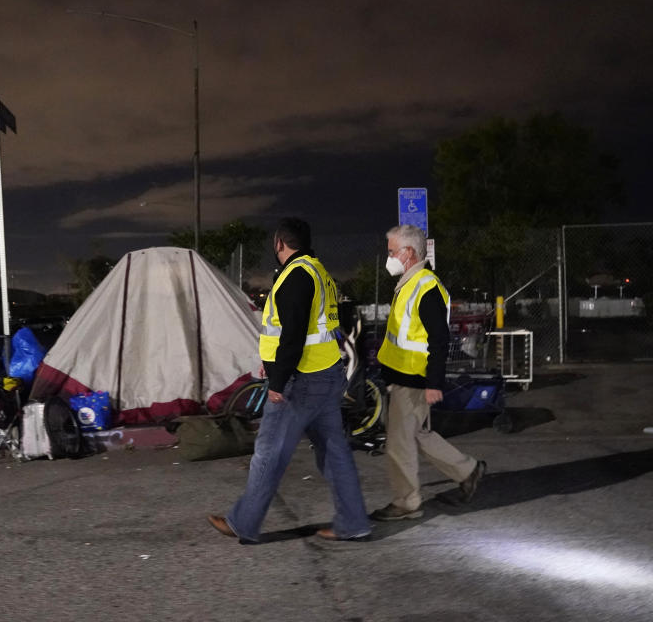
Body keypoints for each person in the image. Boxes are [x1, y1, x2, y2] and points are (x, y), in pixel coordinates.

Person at [208, 218, 371, 543]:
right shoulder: (319, 272)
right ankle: (354, 522)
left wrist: (279, 382)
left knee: (269, 452)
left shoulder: (295, 277)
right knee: (335, 452)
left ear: (280, 244)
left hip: (301, 381)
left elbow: (293, 336)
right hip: (326, 375)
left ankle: (244, 522)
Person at [371, 224, 485, 521]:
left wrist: (434, 382)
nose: (390, 257)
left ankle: (406, 503)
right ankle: (469, 470)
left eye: (392, 251)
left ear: (408, 253)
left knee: (399, 443)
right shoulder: (412, 283)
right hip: (405, 377)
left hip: (413, 381)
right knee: (419, 434)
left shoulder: (425, 287)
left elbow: (439, 339)